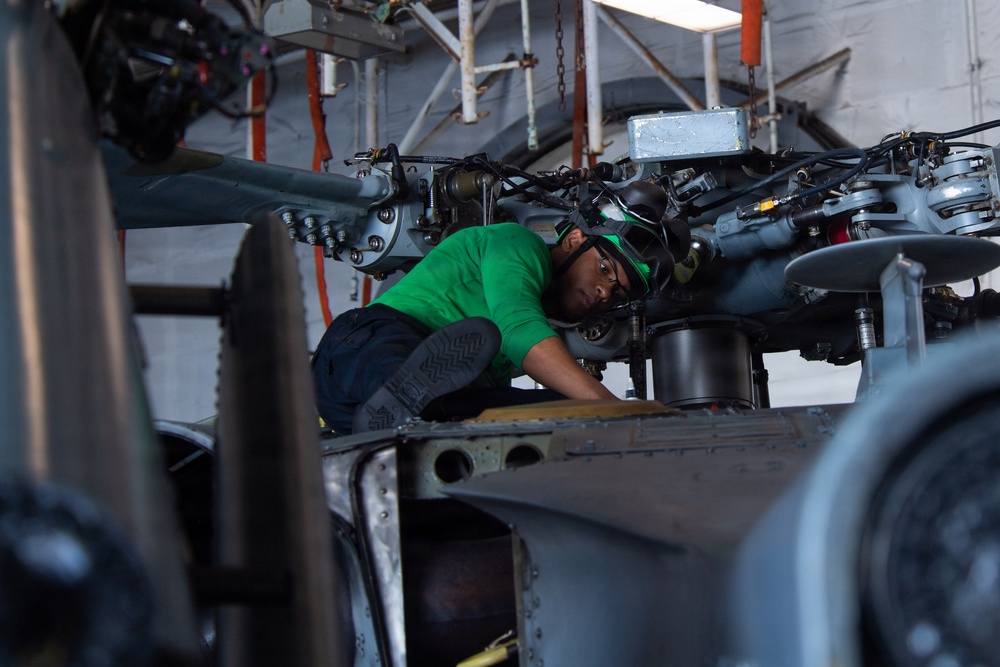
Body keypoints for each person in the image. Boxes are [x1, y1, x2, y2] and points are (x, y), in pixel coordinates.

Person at [311, 180, 676, 435]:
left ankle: (407, 422)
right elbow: (519, 329)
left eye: (616, 293)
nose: (603, 292)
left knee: (558, 416)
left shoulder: (498, 353)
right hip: (365, 345)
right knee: (408, 372)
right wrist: (612, 409)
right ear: (575, 239)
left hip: (360, 414)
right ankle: (403, 404)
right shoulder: (519, 244)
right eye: (604, 269)